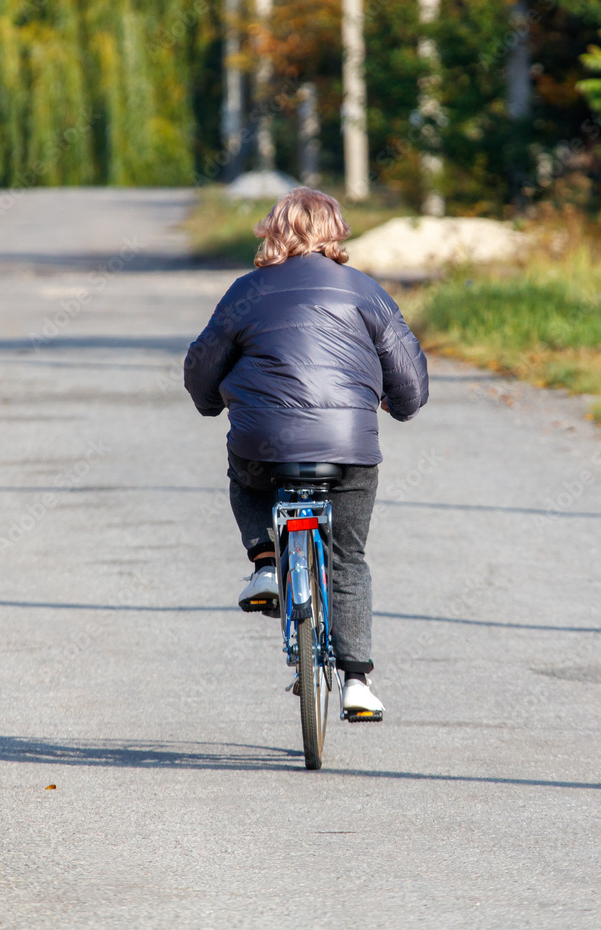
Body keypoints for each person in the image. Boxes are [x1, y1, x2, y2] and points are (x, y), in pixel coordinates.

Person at [183, 188, 428, 716]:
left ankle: (266, 562)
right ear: (335, 233)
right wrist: (399, 404)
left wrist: (209, 403)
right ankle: (357, 681)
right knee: (347, 558)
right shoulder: (365, 292)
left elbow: (203, 364)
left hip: (263, 446)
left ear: (272, 231)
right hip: (348, 449)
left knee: (245, 476)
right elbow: (409, 378)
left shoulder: (245, 292)